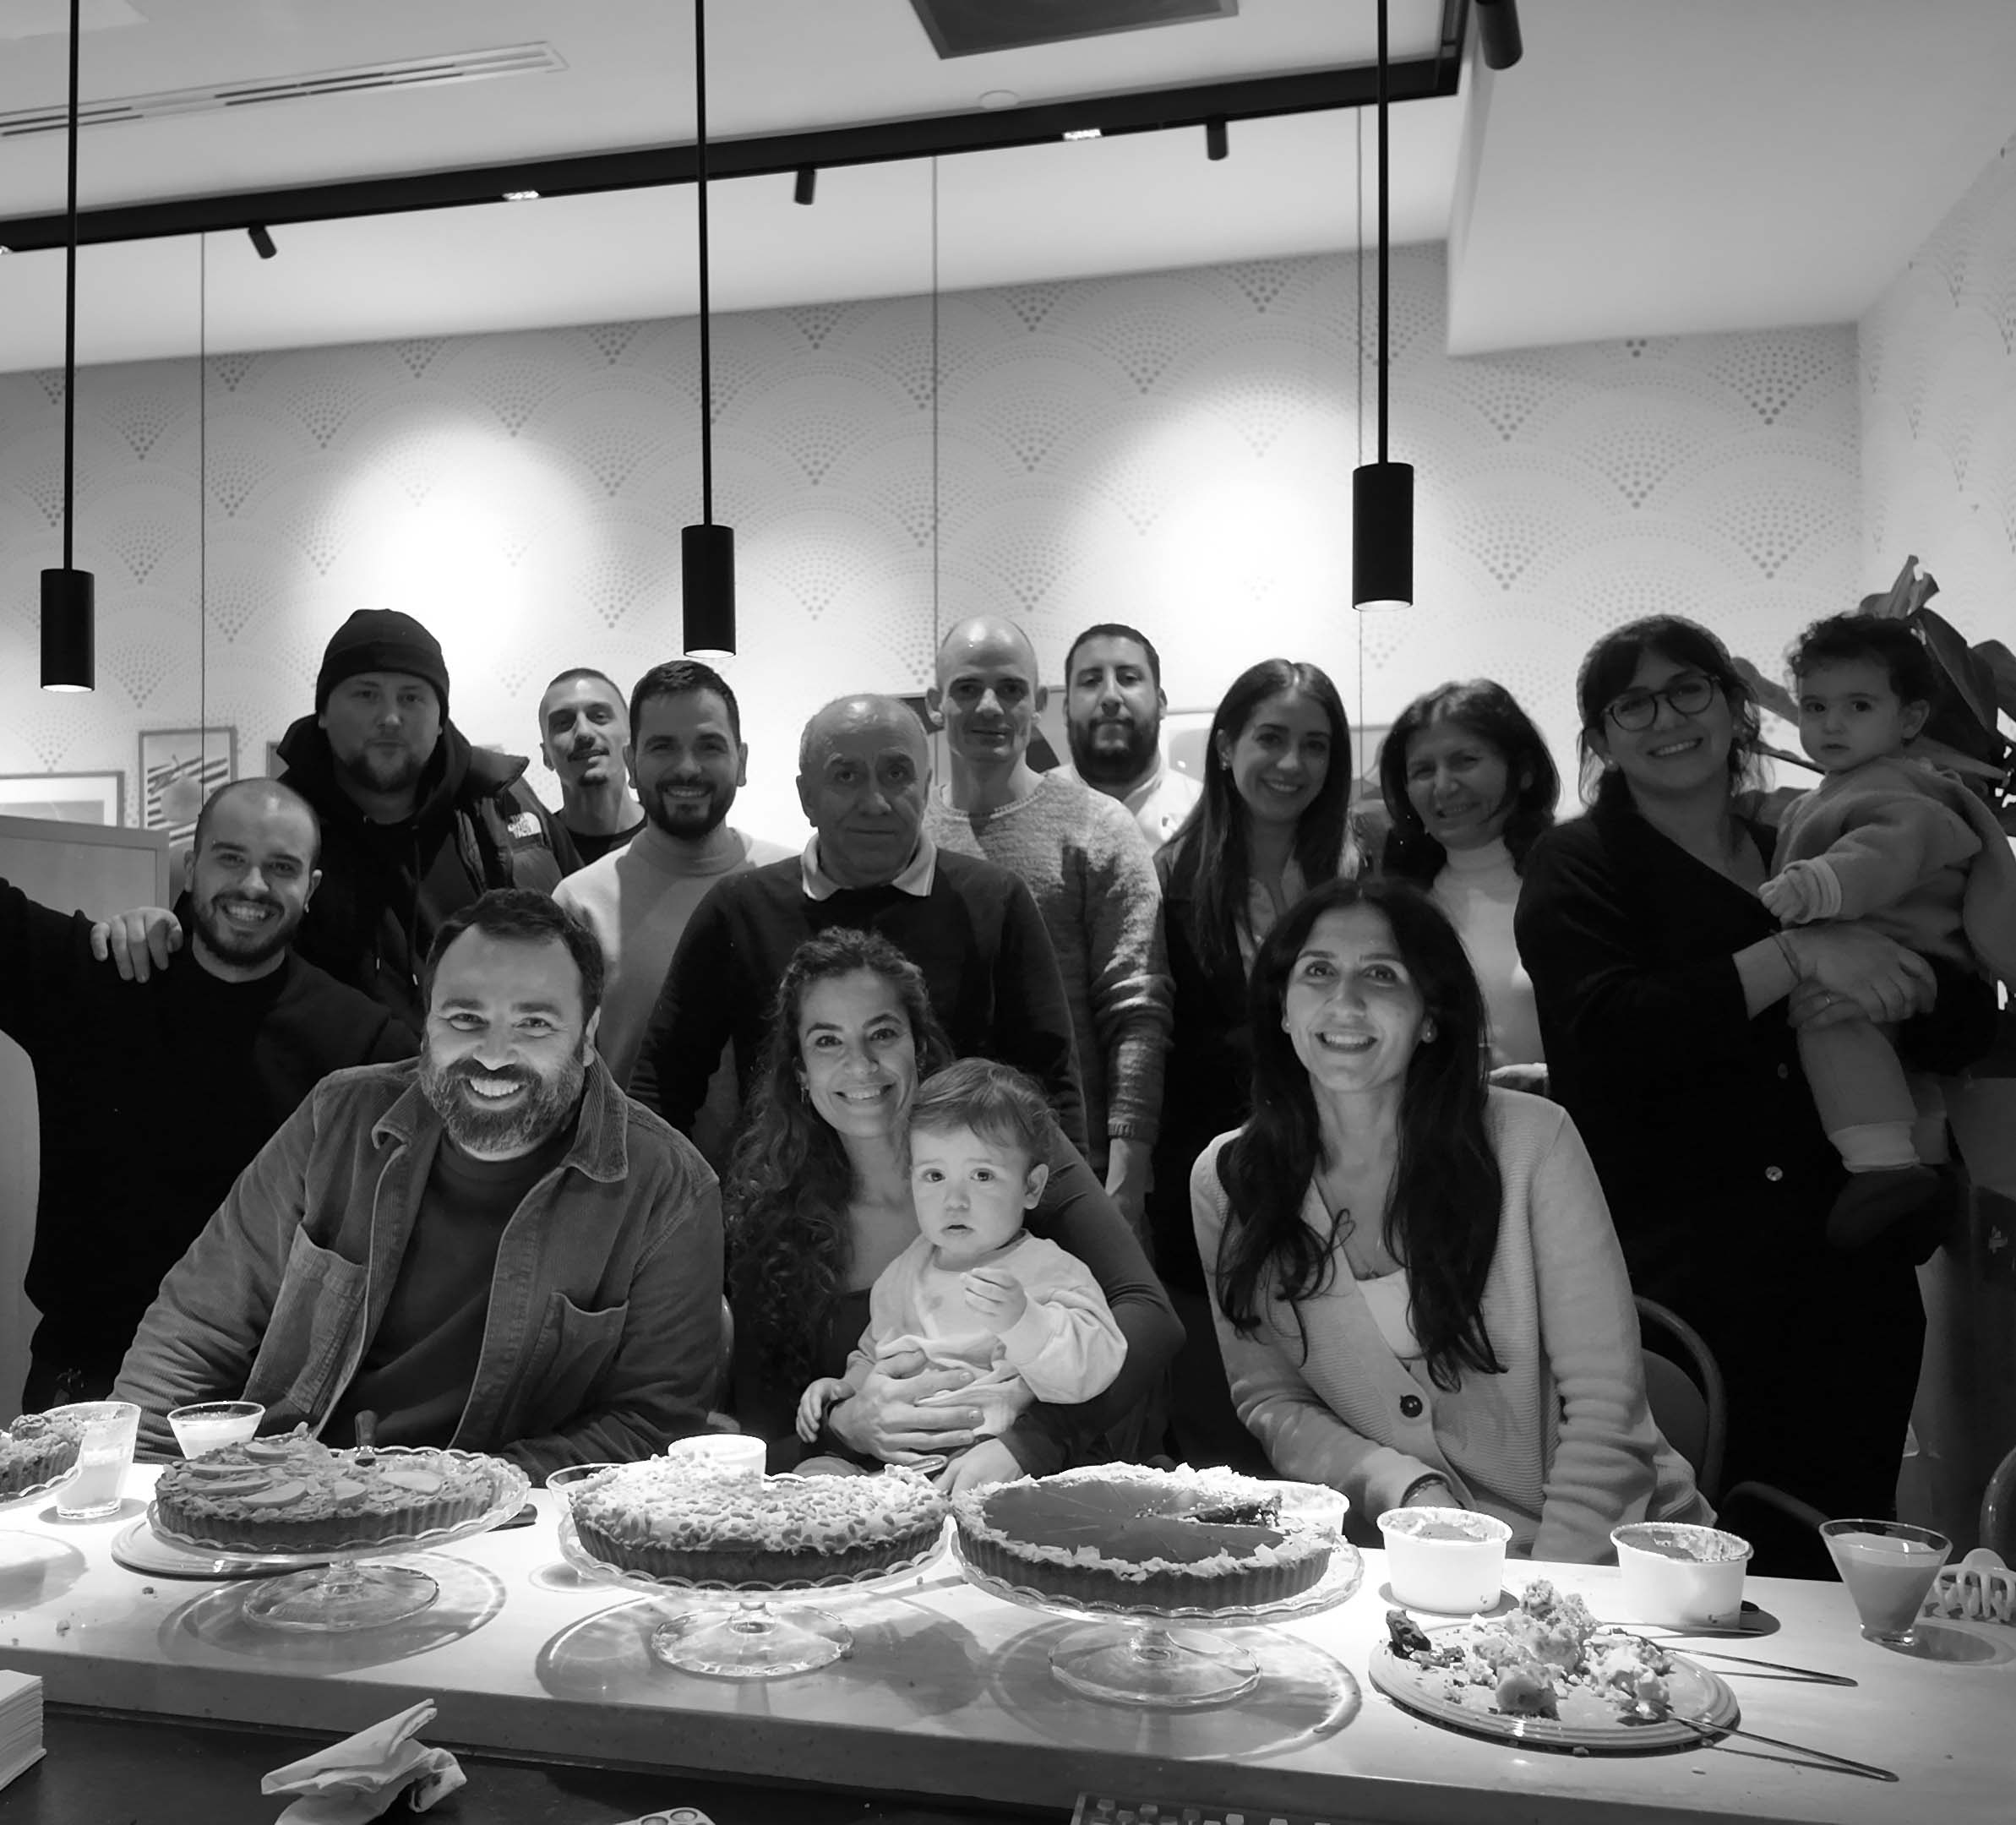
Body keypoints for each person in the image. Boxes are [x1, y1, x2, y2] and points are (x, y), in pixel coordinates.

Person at [1514, 613, 1947, 1543]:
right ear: (1599, 740)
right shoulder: (1578, 863)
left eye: (1688, 689)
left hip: (1851, 1259)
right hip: (1685, 1272)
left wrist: (1896, 991)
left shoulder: (1807, 836)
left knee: (1847, 1541)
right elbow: (1611, 1037)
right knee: (1697, 1556)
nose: (1665, 717)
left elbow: (1956, 1002)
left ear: (1732, 705)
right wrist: (1795, 958)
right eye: (1630, 704)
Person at [114, 890, 724, 1479]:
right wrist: (138, 1483)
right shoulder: (338, 1119)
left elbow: (651, 1425)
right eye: (465, 1017)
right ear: (426, 1022)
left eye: (534, 1023)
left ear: (589, 1037)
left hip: (508, 1528)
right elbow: (194, 1327)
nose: (492, 1055)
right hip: (297, 1501)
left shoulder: (670, 1189)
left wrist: (460, 1493)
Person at [1193, 879, 1708, 1561]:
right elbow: (1272, 1400)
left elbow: (1605, 1406)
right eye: (1317, 971)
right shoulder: (1229, 1180)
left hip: (1618, 1559)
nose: (1344, 1001)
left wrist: (1549, 1589)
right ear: (1282, 1009)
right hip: (1412, 1554)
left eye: (1381, 974)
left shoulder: (1533, 1141)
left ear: (1431, 1014)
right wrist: (1405, 1491)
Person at [2, 781, 413, 1411]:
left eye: (281, 867)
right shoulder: (95, 977)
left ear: (313, 888)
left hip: (274, 1396)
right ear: (190, 868)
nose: (253, 885)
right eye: (230, 857)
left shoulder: (363, 1039)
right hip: (86, 1375)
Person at [723, 929, 1180, 1488]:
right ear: (799, 1072)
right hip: (880, 1491)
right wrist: (846, 1426)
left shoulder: (1004, 1138)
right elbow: (762, 1440)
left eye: (882, 1033)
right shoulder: (771, 1217)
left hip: (1034, 1476)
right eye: (827, 1042)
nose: (861, 1064)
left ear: (918, 1043)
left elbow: (1150, 1319)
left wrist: (1029, 1443)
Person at [630, 693, 1087, 1157]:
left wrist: (1061, 1216)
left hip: (962, 1213)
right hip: (786, 1214)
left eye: (897, 774)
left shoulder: (995, 902)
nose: (875, 802)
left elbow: (1049, 1092)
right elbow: (663, 1085)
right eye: (846, 776)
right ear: (806, 796)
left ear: (926, 788)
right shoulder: (739, 910)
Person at [1147, 657, 1361, 1471]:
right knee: (1225, 1431)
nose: (1292, 765)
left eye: (1316, 745)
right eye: (1271, 739)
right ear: (1227, 747)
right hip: (1213, 1188)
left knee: (1338, 1411)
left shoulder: (1354, 872)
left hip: (1341, 1178)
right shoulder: (1169, 878)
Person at [1762, 613, 2016, 1248]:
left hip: (1906, 953)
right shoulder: (1820, 797)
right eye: (1815, 706)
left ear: (1908, 720)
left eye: (1858, 705)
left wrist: (1816, 886)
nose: (1831, 723)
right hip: (1894, 958)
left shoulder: (1904, 789)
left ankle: (1882, 1167)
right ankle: (1918, 1164)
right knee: (1902, 1076)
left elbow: (1887, 853)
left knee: (1826, 1020)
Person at [924, 615, 1171, 1228]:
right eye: (967, 689)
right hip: (934, 1177)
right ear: (935, 704)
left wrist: (1124, 1177)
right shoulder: (911, 835)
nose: (989, 706)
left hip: (1070, 1170)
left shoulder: (1099, 825)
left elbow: (1136, 1010)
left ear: (1038, 703)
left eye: (1010, 689)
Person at [796, 1059, 1126, 1474]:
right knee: (814, 1477)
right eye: (934, 1176)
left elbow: (1091, 1371)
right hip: (903, 1468)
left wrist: (1025, 1321)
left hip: (1001, 1462)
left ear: (1031, 1186)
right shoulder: (904, 1272)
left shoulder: (1050, 1271)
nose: (955, 1200)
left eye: (982, 1176)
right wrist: (846, 1391)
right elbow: (875, 1353)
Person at [272, 609, 577, 1029]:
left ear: (439, 721)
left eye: (412, 697)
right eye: (366, 694)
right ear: (323, 713)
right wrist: (153, 930)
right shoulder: (274, 825)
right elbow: (208, 943)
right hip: (329, 1091)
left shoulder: (502, 808)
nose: (391, 717)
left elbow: (584, 942)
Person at [556, 660, 793, 1098]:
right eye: (663, 746)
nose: (687, 767)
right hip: (635, 1164)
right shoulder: (580, 904)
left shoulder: (793, 884)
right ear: (631, 763)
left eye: (709, 746)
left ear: (741, 762)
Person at [1376, 679, 1559, 1073]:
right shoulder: (1397, 901)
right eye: (1423, 770)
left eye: (1465, 761)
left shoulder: (1570, 884)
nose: (1444, 786)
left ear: (1524, 771)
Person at [1057, 622, 1201, 853]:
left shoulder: (1203, 815)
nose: (1110, 696)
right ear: (1066, 709)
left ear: (1161, 703)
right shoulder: (1030, 811)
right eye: (1091, 681)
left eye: (1129, 678)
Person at [538, 667, 645, 864]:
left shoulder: (678, 840)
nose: (584, 733)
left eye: (599, 716)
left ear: (631, 736)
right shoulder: (539, 859)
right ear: (546, 755)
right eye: (563, 722)